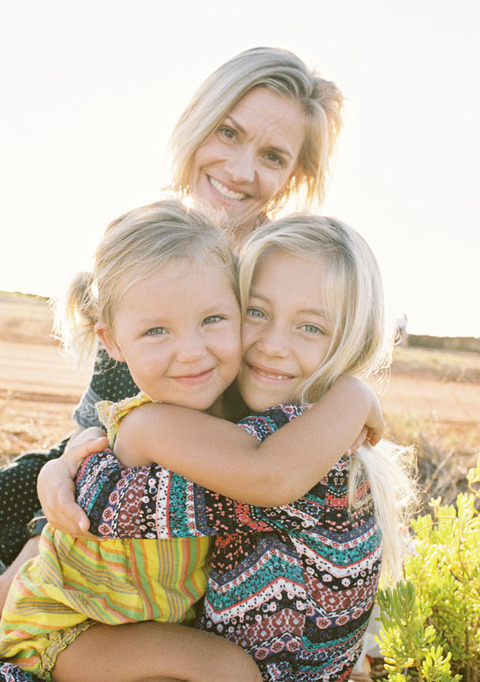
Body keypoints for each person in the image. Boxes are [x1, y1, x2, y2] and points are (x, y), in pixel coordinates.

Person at [28, 213, 414, 682]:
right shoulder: (197, 427)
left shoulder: (309, 453)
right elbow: (263, 474)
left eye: (311, 326)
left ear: (351, 341)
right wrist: (355, 396)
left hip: (141, 638)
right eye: (256, 312)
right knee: (223, 680)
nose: (273, 344)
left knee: (223, 680)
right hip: (79, 630)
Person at [0, 46, 343, 588]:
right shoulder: (151, 244)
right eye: (228, 133)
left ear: (294, 176)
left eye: (273, 156)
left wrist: (44, 539)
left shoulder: (278, 279)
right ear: (196, 124)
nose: (240, 170)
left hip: (188, 515)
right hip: (110, 468)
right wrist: (59, 469)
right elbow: (101, 417)